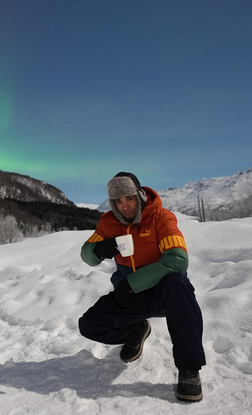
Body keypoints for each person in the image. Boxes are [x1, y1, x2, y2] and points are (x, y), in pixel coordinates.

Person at [78, 172, 206, 402]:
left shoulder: (161, 217)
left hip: (164, 294)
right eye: (118, 201)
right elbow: (86, 255)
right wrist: (98, 250)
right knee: (89, 325)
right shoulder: (108, 222)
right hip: (129, 296)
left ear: (139, 195)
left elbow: (177, 260)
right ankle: (136, 332)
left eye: (128, 198)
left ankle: (189, 369)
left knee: (179, 284)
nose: (124, 206)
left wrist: (130, 284)